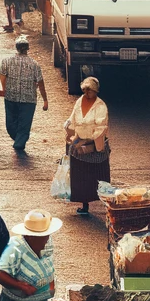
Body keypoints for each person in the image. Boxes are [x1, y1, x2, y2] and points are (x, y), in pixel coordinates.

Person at [64, 76, 111, 215]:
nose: (87, 94)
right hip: (80, 143)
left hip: (94, 145)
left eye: (89, 91)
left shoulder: (100, 105)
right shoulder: (79, 101)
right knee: (81, 177)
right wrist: (69, 129)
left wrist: (88, 141)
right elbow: (72, 119)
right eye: (85, 91)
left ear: (95, 91)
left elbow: (101, 127)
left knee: (98, 177)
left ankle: (107, 204)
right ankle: (85, 206)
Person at [0, 35, 48, 152]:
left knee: (10, 124)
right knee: (25, 124)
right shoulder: (35, 64)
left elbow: (2, 77)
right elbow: (40, 83)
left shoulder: (6, 62)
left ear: (16, 48)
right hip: (28, 100)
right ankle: (20, 140)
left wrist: (5, 90)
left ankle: (19, 143)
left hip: (11, 97)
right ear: (27, 49)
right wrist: (45, 100)